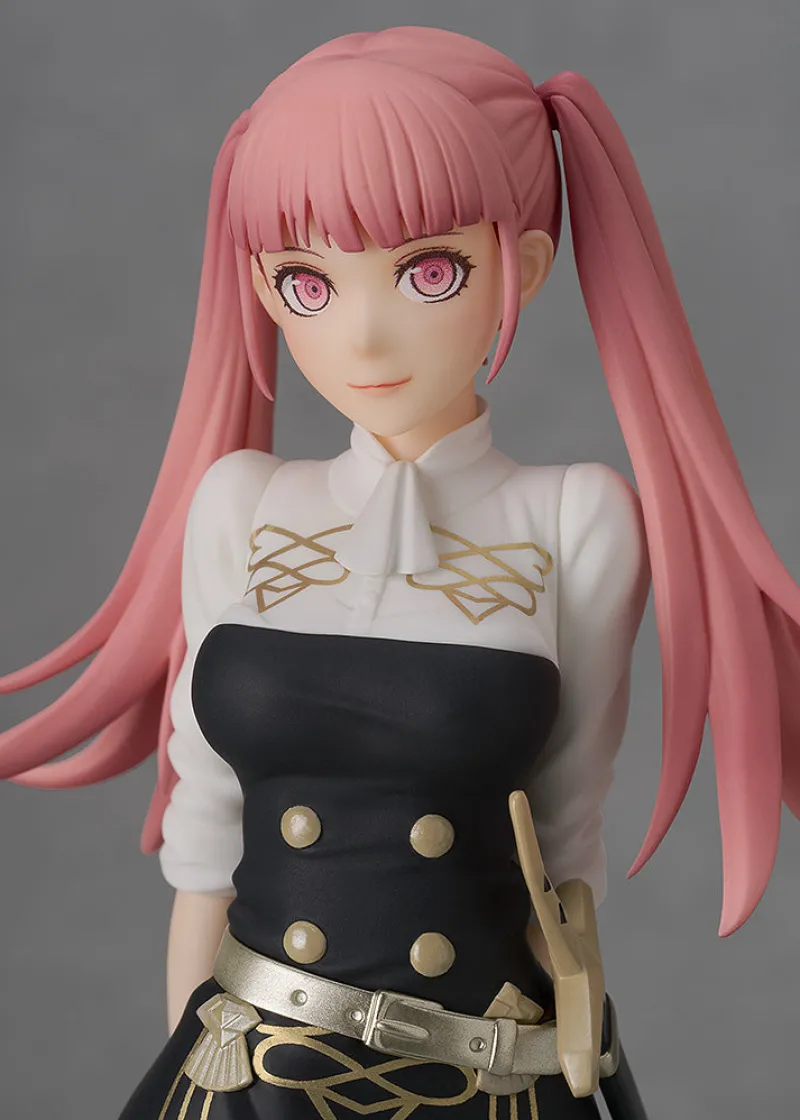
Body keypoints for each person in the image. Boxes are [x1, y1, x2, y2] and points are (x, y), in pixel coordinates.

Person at [1, 25, 798, 1120]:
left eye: (427, 272)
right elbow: (207, 839)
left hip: (479, 1068)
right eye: (307, 280)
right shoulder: (243, 502)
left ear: (520, 267)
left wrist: (572, 1051)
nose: (364, 335)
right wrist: (191, 1062)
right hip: (253, 1060)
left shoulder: (573, 517)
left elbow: (562, 855)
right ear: (260, 285)